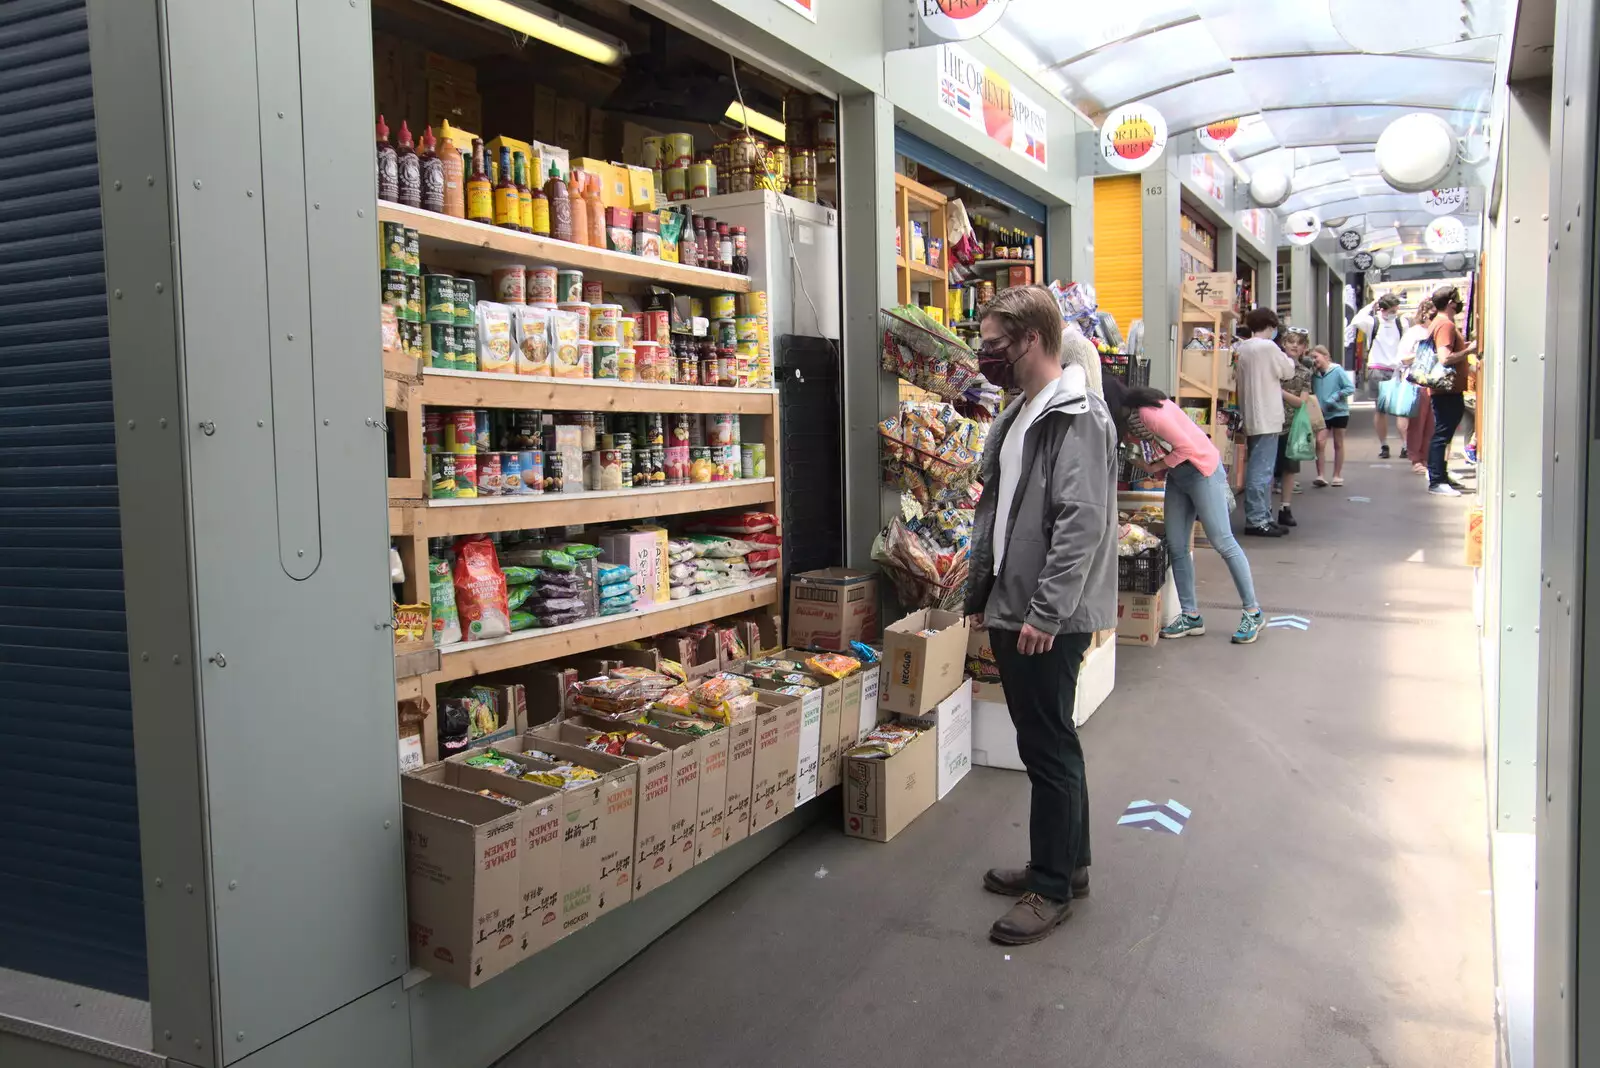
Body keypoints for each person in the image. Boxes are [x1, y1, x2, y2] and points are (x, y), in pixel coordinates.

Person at [964, 285, 1118, 947]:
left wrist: (1047, 611)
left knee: (1048, 748)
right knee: (1050, 740)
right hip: (1017, 599)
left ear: (1031, 340)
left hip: (1043, 610)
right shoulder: (1025, 409)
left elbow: (1080, 524)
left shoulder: (1075, 414)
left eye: (993, 342)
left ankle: (1051, 886)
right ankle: (1067, 865)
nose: (984, 353)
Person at [1103, 378, 1264, 644]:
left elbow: (1187, 447)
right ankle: (1190, 615)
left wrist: (1155, 467)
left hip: (1202, 472)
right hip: (1179, 476)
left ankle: (1253, 611)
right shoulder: (1140, 411)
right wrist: (1162, 466)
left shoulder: (1147, 414)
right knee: (1177, 546)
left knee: (1223, 543)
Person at [1234, 307, 1296, 537]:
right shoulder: (1268, 347)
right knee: (1262, 469)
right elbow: (1287, 371)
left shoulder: (1241, 348)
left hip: (1249, 413)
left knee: (1259, 466)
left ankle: (1263, 516)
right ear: (1270, 326)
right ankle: (1257, 519)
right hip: (1268, 414)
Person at [1425, 285, 1477, 496]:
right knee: (1442, 435)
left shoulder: (1439, 322)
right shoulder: (1445, 324)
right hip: (1446, 390)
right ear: (1450, 303)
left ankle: (1441, 477)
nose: (1460, 302)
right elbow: (1445, 357)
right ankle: (1437, 480)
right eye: (1457, 299)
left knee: (1443, 434)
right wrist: (1469, 350)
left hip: (1446, 390)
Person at [1274, 327, 1314, 529]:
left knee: (1289, 470)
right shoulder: (1275, 366)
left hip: (1291, 426)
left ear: (1305, 348)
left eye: (1299, 343)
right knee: (1268, 470)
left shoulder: (1305, 372)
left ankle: (1285, 507)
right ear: (1283, 344)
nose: (1295, 346)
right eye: (1291, 341)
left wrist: (1279, 391)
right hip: (1270, 422)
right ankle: (1263, 510)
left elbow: (1301, 402)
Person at [1360, 295, 1410, 457]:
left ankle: (1406, 445)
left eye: (1396, 310)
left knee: (1402, 410)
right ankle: (1384, 446)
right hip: (1377, 370)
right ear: (1382, 309)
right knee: (1381, 410)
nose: (1395, 313)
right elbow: (1356, 320)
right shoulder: (1372, 322)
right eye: (1392, 310)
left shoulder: (1401, 323)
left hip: (1397, 370)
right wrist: (1371, 305)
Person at [1398, 299, 1438, 475]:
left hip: (1435, 381)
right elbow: (1402, 358)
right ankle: (1416, 458)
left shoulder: (1437, 331)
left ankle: (1427, 458)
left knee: (1432, 423)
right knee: (1417, 423)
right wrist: (1423, 354)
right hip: (1417, 382)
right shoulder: (1414, 333)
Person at [1310, 344, 1356, 488]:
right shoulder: (1314, 374)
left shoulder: (1337, 370)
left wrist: (1335, 397)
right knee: (1320, 442)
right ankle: (1321, 475)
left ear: (1326, 356)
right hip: (1322, 413)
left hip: (1339, 411)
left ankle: (1337, 475)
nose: (1314, 360)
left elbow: (1350, 387)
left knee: (1338, 443)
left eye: (1315, 357)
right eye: (1312, 357)